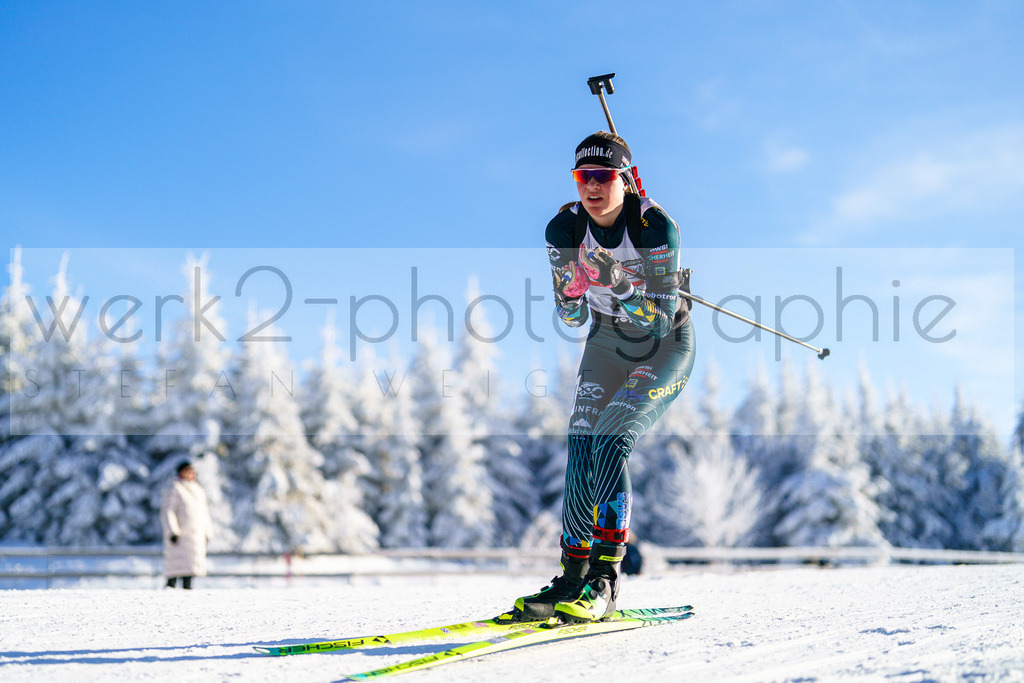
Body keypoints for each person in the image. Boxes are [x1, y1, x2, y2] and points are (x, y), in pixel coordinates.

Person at [514, 131, 695, 622]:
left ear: (623, 178)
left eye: (603, 175)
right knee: (582, 440)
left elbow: (659, 320)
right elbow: (571, 320)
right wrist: (570, 294)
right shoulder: (564, 230)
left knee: (612, 436)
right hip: (607, 343)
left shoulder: (655, 228)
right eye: (582, 176)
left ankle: (605, 581)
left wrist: (619, 281)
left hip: (663, 346)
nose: (591, 187)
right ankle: (570, 579)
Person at [160, 460, 213, 589]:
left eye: (191, 471)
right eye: (187, 471)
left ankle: (187, 593)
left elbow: (204, 513)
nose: (190, 474)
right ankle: (168, 592)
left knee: (190, 569)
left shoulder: (198, 490)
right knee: (175, 568)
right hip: (180, 537)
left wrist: (208, 532)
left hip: (195, 536)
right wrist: (173, 531)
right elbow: (168, 512)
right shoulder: (175, 489)